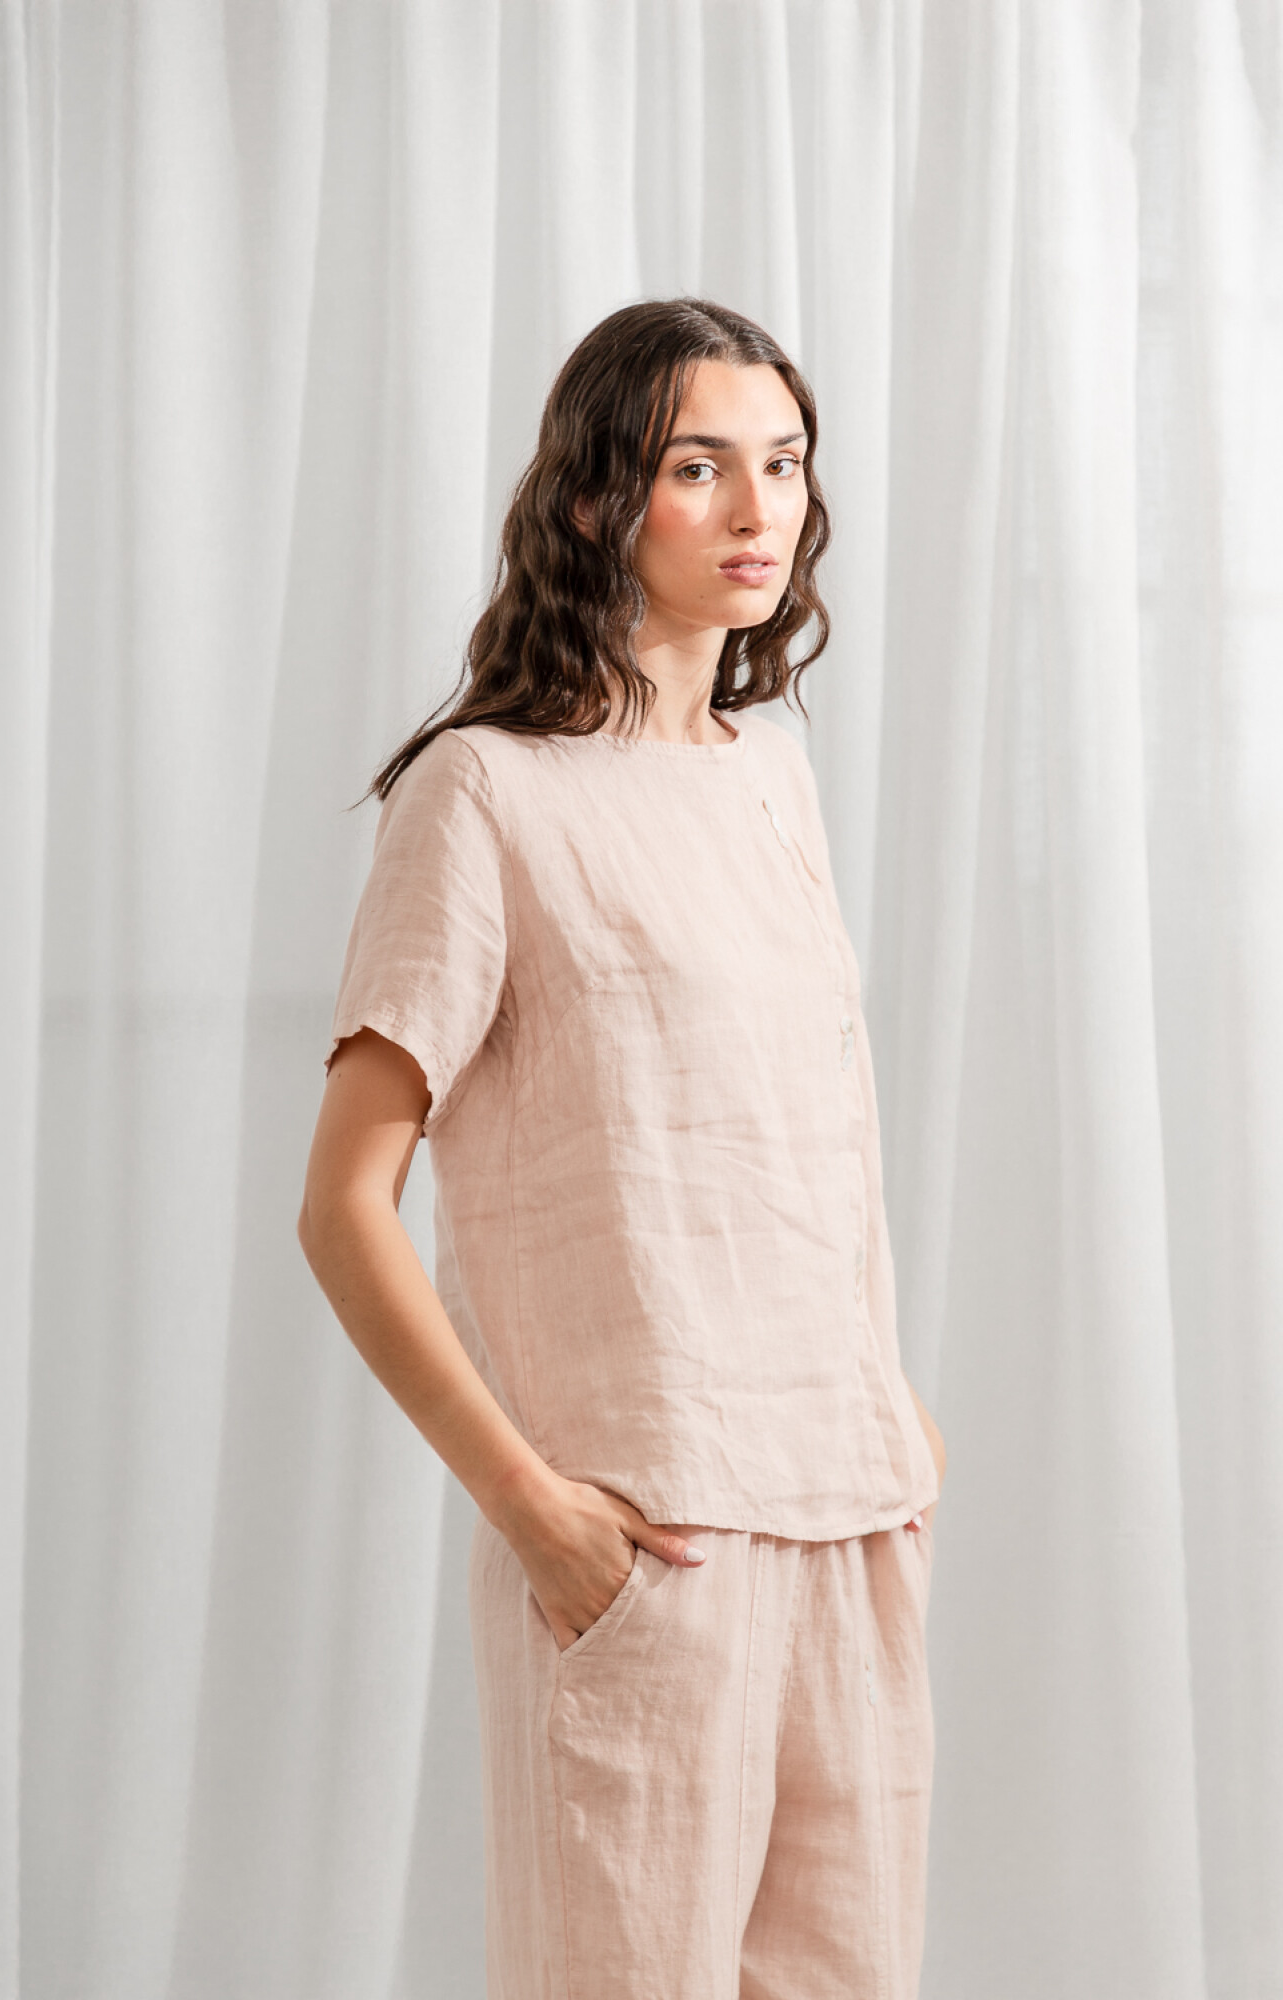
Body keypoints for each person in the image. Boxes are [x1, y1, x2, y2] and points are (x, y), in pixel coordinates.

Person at [298, 296, 947, 2000]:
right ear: (597, 497)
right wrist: (530, 1506)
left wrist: (886, 1410)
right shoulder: (484, 793)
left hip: (852, 1510)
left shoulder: (771, 777)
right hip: (650, 1535)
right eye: (698, 467)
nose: (757, 511)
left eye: (783, 465)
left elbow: (788, 1140)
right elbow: (343, 1204)